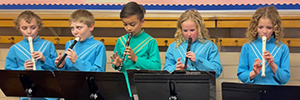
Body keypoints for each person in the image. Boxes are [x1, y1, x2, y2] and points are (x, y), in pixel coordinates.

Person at [110, 1, 161, 97]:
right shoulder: (121, 41)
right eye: (125, 24)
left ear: (142, 21)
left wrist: (136, 59)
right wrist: (117, 65)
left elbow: (157, 67)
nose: (128, 28)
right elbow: (119, 67)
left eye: (132, 25)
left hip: (142, 87)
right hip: (124, 86)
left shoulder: (150, 41)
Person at [5, 11, 59, 100]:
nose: (29, 32)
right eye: (24, 28)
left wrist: (44, 59)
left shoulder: (48, 45)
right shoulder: (15, 48)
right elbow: (9, 73)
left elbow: (57, 68)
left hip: (49, 94)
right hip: (27, 95)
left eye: (33, 28)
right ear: (19, 29)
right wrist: (23, 68)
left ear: (39, 27)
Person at [237, 6, 290, 85]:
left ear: (275, 28)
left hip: (275, 92)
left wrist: (272, 64)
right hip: (253, 92)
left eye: (269, 28)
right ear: (255, 27)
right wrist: (254, 73)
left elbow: (285, 79)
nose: (264, 31)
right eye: (260, 27)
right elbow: (241, 75)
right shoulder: (247, 47)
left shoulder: (282, 48)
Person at [163, 9, 223, 78]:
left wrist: (198, 60)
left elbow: (217, 71)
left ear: (199, 29)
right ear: (180, 30)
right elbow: (165, 71)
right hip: (179, 86)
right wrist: (174, 68)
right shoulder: (173, 47)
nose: (189, 34)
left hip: (202, 86)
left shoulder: (210, 46)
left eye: (192, 30)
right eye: (185, 31)